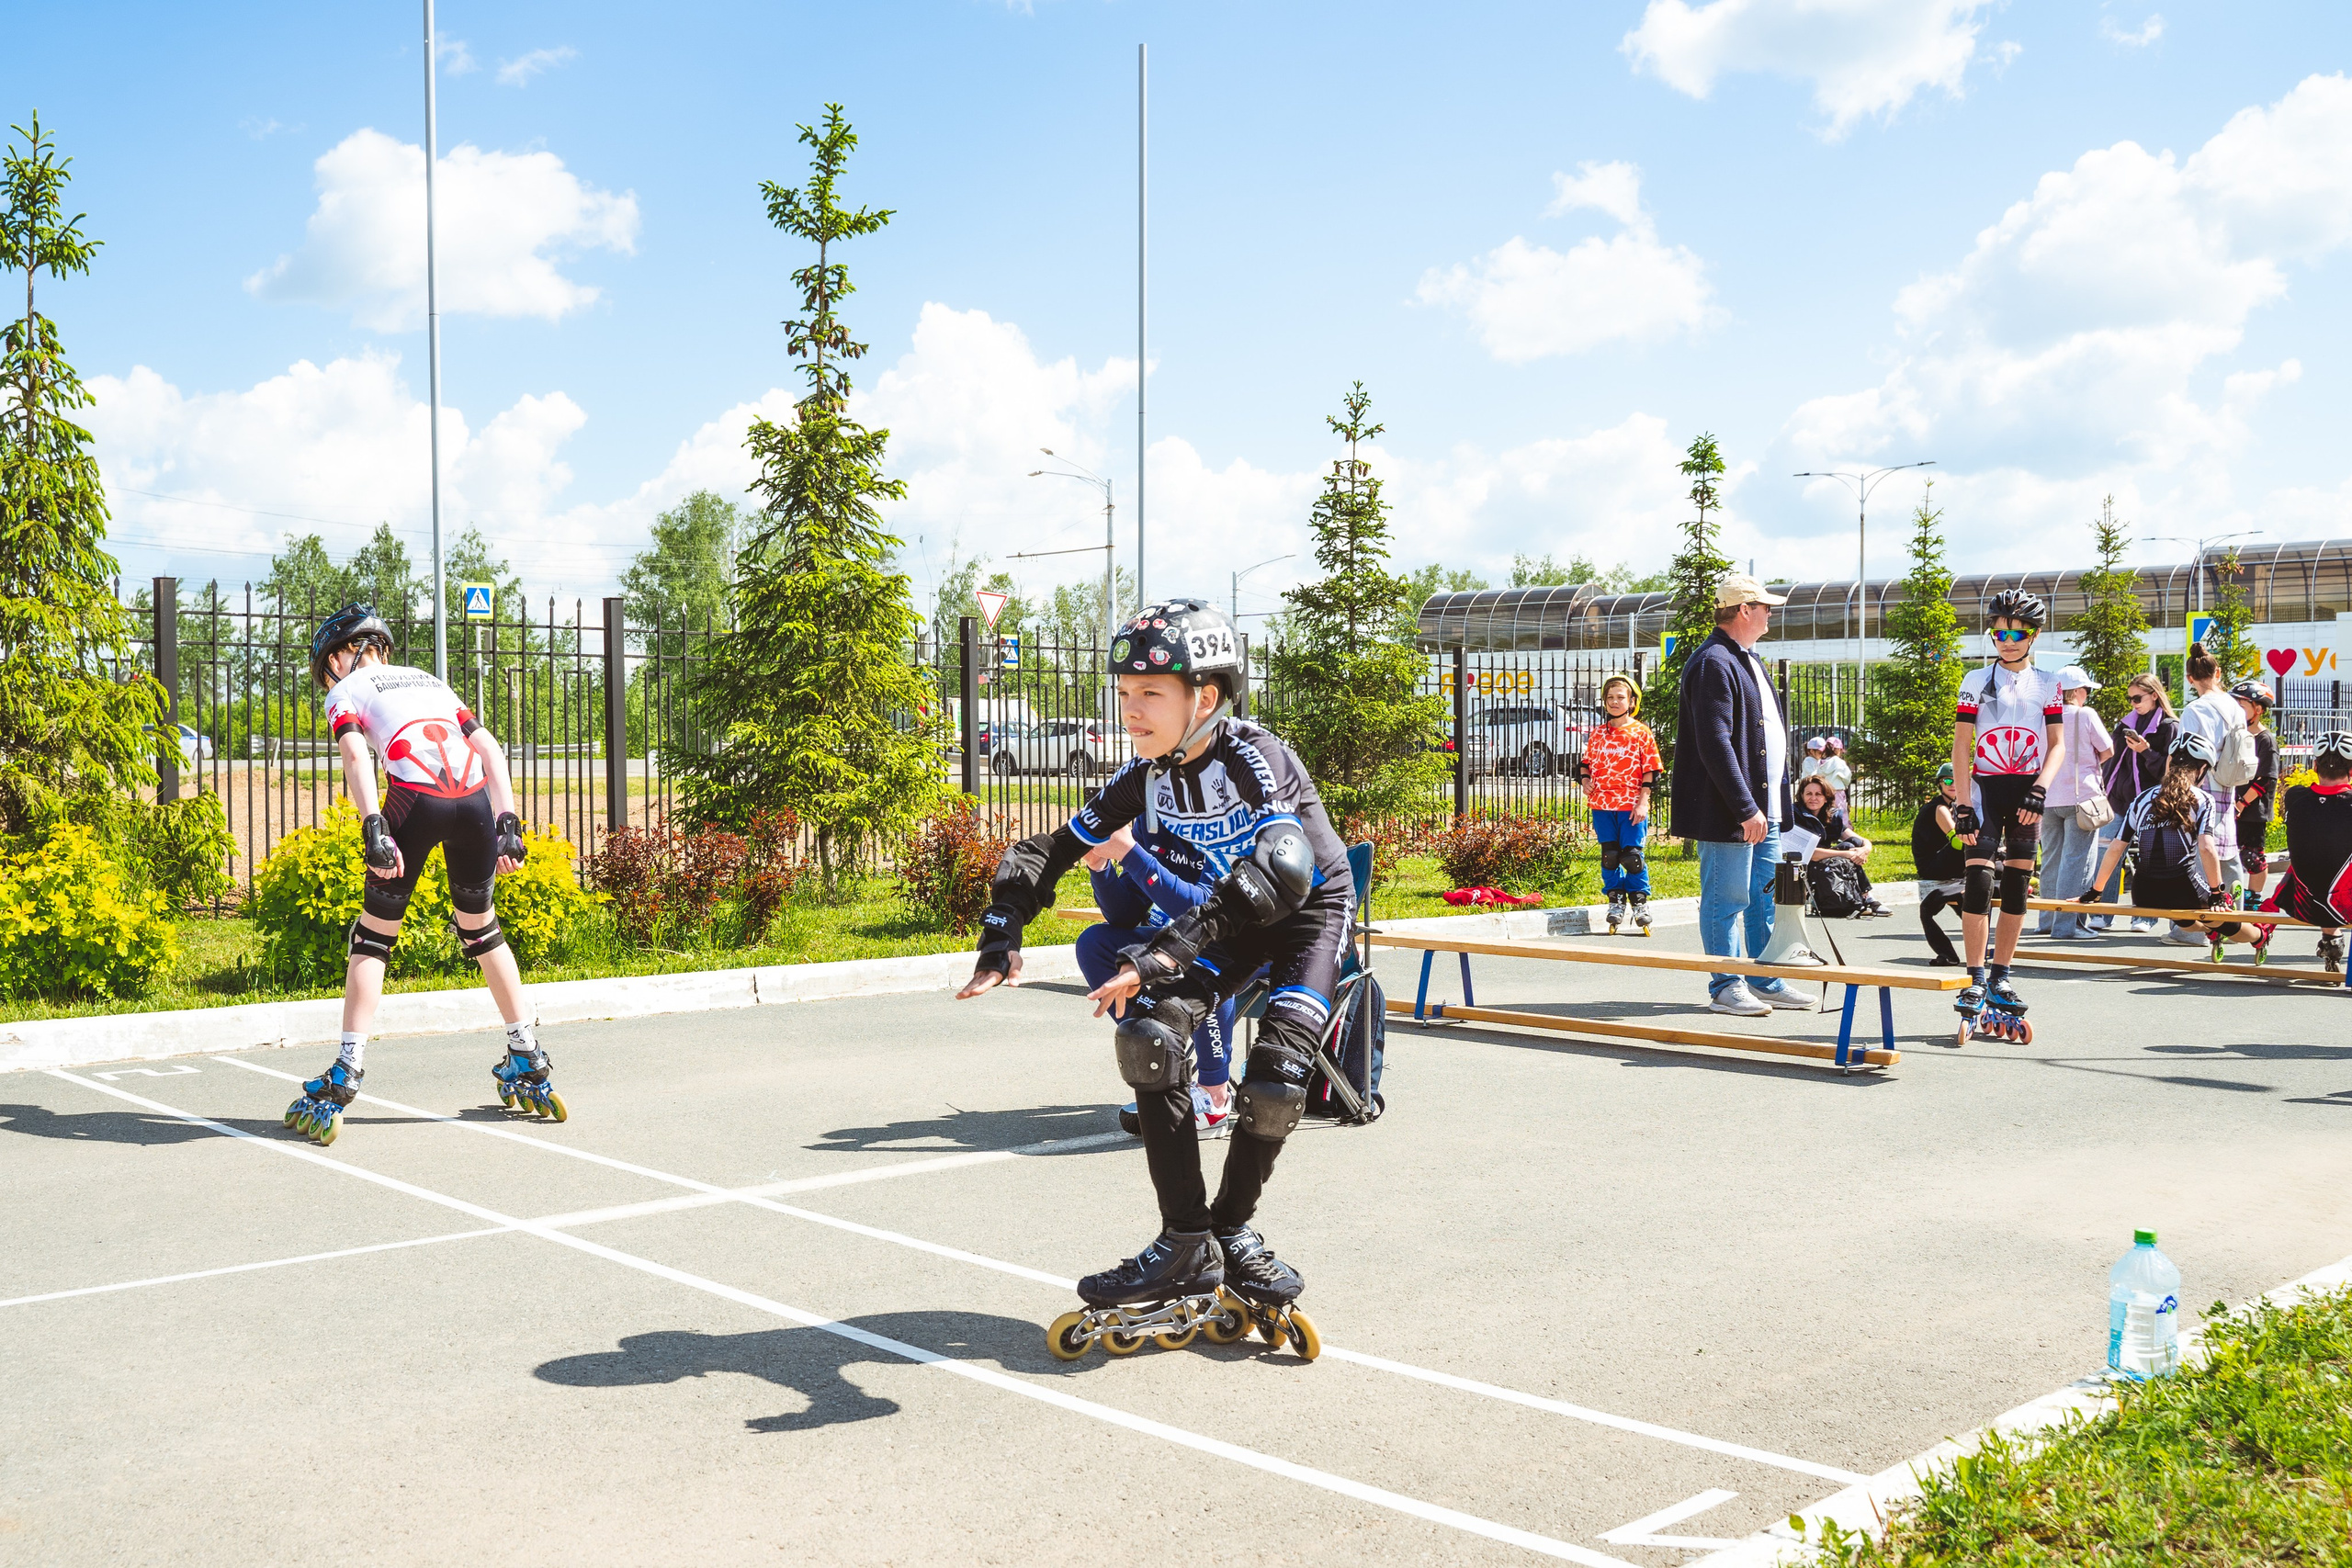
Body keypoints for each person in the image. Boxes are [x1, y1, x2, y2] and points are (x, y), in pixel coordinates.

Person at [957, 599, 1348, 1332]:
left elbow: (1283, 870)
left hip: (1303, 918)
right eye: (1124, 692)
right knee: (1150, 1041)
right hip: (1227, 918)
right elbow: (1050, 850)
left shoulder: (1255, 756)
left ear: (1205, 696)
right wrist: (1001, 928)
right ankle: (1185, 1241)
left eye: (1150, 693)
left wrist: (1168, 950)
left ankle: (1232, 1230)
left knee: (1272, 1081)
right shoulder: (1148, 776)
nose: (1131, 710)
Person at [284, 604, 552, 1145]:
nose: (328, 676)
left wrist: (373, 826)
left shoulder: (347, 691)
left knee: (374, 937)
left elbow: (358, 756)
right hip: (475, 801)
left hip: (415, 799)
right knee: (482, 929)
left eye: (327, 665)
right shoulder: (432, 681)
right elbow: (490, 749)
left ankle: (348, 1068)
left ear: (342, 655)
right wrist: (508, 822)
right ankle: (526, 1050)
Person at [1669, 574, 1815, 1017]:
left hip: (1763, 810)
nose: (1772, 614)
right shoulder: (1714, 660)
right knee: (1726, 898)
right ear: (1744, 610)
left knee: (1764, 897)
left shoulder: (1747, 658)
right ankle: (1726, 984)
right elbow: (1715, 743)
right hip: (1732, 811)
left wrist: (1772, 807)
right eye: (1765, 607)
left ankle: (1764, 978)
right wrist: (1745, 807)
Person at [1950, 590, 2067, 1031]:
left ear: (2034, 634)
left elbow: (2057, 746)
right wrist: (1962, 803)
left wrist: (2040, 790)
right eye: (1998, 631)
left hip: (2026, 794)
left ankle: (2002, 976)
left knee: (2017, 886)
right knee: (1978, 882)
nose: (2007, 639)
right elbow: (1963, 746)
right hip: (1984, 791)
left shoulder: (2049, 683)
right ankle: (1975, 977)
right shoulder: (1975, 680)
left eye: (2017, 631)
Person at [1078, 819, 1235, 1140]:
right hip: (1189, 941)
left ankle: (1215, 1096)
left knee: (1207, 952)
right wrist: (1101, 867)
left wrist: (1130, 853)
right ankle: (1161, 1051)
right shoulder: (1158, 824)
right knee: (1096, 944)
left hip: (1255, 945)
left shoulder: (1227, 821)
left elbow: (1206, 911)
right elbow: (1124, 915)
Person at [2084, 731, 2231, 927]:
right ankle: (2259, 936)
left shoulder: (2142, 798)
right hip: (2184, 889)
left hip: (2143, 893)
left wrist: (2096, 891)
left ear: (2170, 762)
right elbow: (2206, 848)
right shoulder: (2203, 799)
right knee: (2223, 914)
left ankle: (2205, 929)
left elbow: (2116, 848)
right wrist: (2217, 893)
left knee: (2183, 912)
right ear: (2202, 768)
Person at [2172, 642, 2252, 940]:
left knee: (2196, 851)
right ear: (2218, 673)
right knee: (2227, 850)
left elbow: (2188, 753)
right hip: (2229, 782)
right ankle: (2236, 923)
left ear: (2190, 677)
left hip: (2202, 784)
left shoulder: (2195, 709)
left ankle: (2194, 931)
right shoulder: (2234, 705)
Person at [2255, 729, 2352, 972]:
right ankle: (2332, 940)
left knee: (2314, 860)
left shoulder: (2295, 796)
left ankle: (2331, 940)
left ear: (2315, 765)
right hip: (2345, 907)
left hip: (2303, 904)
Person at [1575, 672, 1664, 934]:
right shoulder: (1598, 733)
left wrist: (1643, 802)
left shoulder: (1641, 733)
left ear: (1632, 701)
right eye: (1610, 698)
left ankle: (1639, 901)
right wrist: (1585, 780)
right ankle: (1615, 900)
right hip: (1602, 804)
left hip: (1630, 805)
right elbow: (1585, 763)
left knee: (1632, 857)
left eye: (1620, 697)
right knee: (1610, 856)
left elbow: (1651, 770)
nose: (1615, 702)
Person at [2095, 673, 2178, 931]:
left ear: (2155, 694)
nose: (2133, 704)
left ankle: (2144, 916)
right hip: (2119, 801)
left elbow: (2170, 770)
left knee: (2148, 858)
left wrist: (2146, 751)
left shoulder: (2169, 726)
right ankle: (2103, 912)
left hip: (2152, 801)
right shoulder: (2125, 724)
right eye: (2130, 699)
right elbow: (2113, 760)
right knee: (2106, 852)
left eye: (2138, 698)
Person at [2037, 666, 2113, 940]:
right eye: (2087, 691)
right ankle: (2070, 925)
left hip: (2047, 797)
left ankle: (2046, 920)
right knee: (2077, 861)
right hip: (2082, 798)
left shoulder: (2043, 716)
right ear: (2078, 691)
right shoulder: (2085, 714)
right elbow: (2108, 750)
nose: (2087, 696)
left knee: (2051, 860)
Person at [1792, 774, 1891, 918]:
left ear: (1826, 797)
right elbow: (1810, 854)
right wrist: (1847, 854)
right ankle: (1867, 897)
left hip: (1824, 861)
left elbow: (1860, 840)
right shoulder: (1796, 815)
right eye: (1809, 794)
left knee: (1854, 844)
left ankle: (1864, 896)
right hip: (1803, 865)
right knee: (1846, 849)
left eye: (1818, 794)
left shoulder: (1830, 816)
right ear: (1801, 796)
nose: (1813, 798)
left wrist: (1865, 849)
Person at [1911, 763, 1970, 965]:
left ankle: (1981, 950)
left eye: (1957, 781)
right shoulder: (1939, 808)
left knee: (1972, 906)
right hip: (1933, 866)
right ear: (1940, 784)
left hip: (1946, 864)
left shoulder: (1955, 805)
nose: (1952, 784)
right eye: (1947, 781)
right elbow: (1957, 841)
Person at [2233, 681, 2279, 908]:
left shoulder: (2265, 740)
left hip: (2252, 810)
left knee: (2252, 857)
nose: (2237, 709)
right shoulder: (2236, 735)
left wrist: (2241, 804)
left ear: (2258, 709)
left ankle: (2253, 898)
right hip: (2230, 805)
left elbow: (2266, 778)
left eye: (2242, 705)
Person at [1818, 735, 1855, 814]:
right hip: (1838, 791)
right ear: (1838, 750)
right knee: (1840, 813)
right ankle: (1841, 826)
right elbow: (1847, 776)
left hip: (1825, 791)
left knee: (1827, 812)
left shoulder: (1821, 763)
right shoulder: (1839, 762)